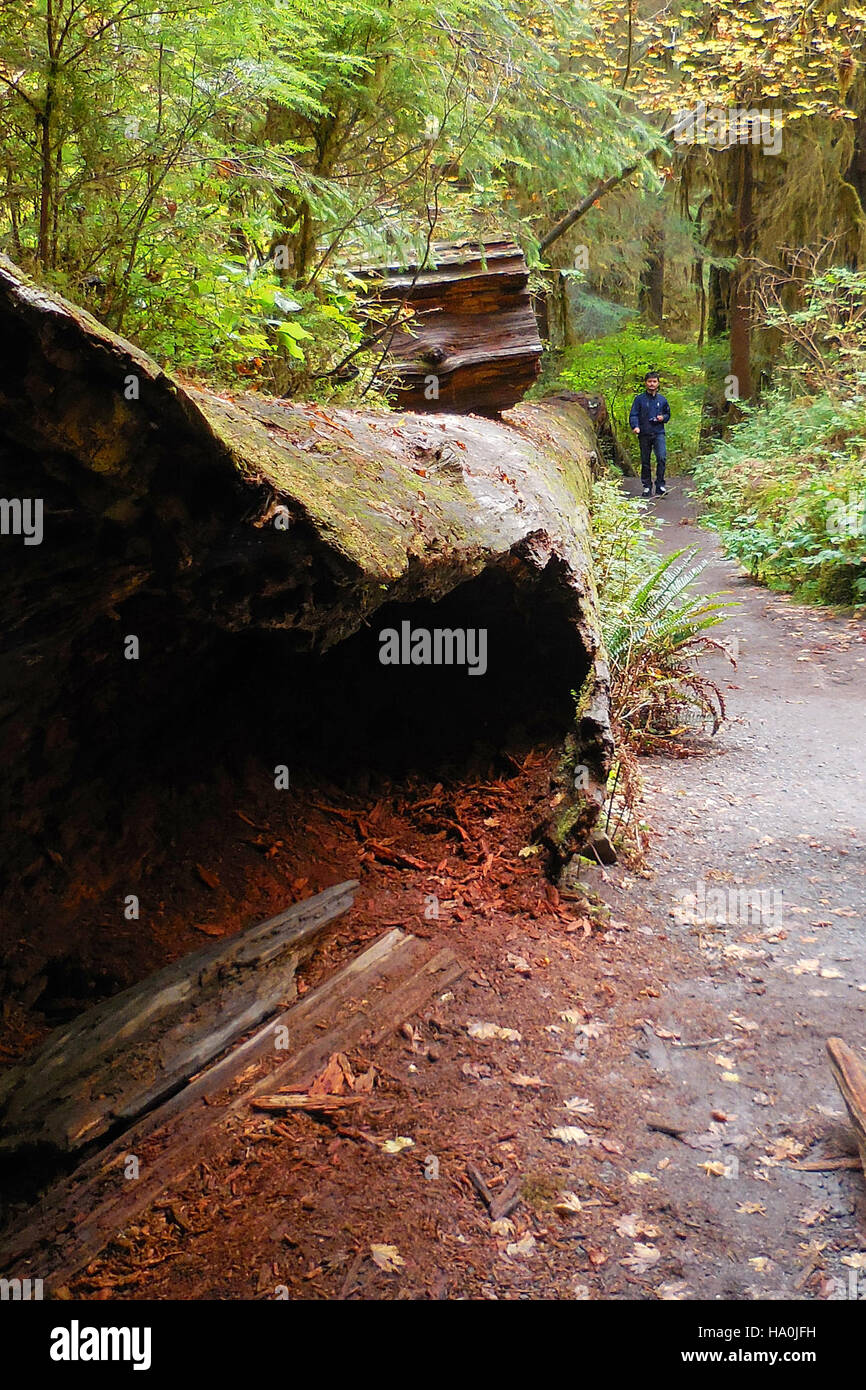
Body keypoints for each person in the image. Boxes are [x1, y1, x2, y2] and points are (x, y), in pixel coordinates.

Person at [629, 371, 670, 497]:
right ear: (645, 383)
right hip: (644, 433)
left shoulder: (662, 400)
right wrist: (635, 426)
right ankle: (647, 486)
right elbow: (633, 414)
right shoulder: (639, 399)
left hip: (658, 433)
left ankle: (660, 485)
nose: (652, 384)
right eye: (649, 381)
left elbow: (668, 415)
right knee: (645, 460)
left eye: (654, 381)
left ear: (658, 383)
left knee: (661, 458)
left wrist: (662, 418)